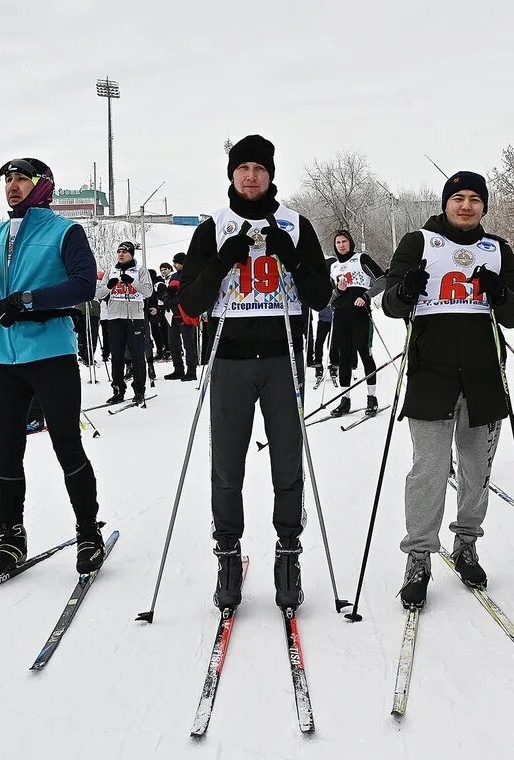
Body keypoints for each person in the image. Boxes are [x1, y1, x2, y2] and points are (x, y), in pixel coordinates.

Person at [177, 134, 332, 611]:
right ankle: (227, 553)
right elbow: (191, 302)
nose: (250, 176)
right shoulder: (213, 229)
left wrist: (292, 255)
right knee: (227, 464)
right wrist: (223, 260)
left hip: (283, 359)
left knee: (287, 461)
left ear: (270, 175)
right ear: (231, 175)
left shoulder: (296, 225)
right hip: (229, 360)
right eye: (242, 168)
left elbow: (321, 296)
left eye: (259, 169)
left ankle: (289, 552)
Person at [381, 170, 514, 608]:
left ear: (484, 206)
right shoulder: (419, 242)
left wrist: (498, 292)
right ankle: (420, 556)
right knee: (427, 470)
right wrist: (406, 290)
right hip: (432, 376)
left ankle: (466, 543)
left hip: (484, 377)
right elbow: (390, 304)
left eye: (475, 199)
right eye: (458, 198)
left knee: (476, 470)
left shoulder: (497, 248)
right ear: (446, 203)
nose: (466, 206)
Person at [0, 157, 103, 578]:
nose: (13, 186)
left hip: (51, 351)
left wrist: (26, 300)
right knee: (7, 449)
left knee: (65, 443)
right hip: (4, 356)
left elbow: (84, 284)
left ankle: (88, 531)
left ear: (43, 186)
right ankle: (11, 536)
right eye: (9, 179)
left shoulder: (64, 230)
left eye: (23, 178)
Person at [327, 229, 385, 417]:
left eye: (344, 241)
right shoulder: (334, 267)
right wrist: (337, 290)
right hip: (341, 316)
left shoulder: (361, 259)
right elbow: (330, 298)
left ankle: (372, 398)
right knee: (344, 358)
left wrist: (366, 296)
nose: (341, 245)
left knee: (364, 354)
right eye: (338, 243)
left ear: (350, 243)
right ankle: (345, 400)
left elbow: (382, 279)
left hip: (360, 315)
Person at [95, 241, 151, 404]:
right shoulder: (111, 271)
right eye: (119, 251)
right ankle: (118, 390)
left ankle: (139, 390)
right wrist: (110, 286)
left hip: (135, 318)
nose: (121, 254)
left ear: (132, 254)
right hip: (115, 318)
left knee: (137, 356)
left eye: (125, 252)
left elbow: (148, 292)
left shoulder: (141, 270)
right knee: (117, 356)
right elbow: (99, 293)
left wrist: (133, 282)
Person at [162, 252, 198, 381]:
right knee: (173, 344)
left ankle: (191, 370)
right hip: (173, 315)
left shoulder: (191, 275)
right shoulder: (173, 277)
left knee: (188, 344)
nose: (175, 265)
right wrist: (167, 298)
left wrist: (175, 299)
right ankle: (178, 369)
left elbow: (190, 293)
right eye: (174, 263)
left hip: (186, 315)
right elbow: (167, 292)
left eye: (177, 263)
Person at [309, 302, 337, 386]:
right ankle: (318, 365)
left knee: (333, 343)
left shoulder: (338, 289)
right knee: (319, 342)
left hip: (335, 320)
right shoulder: (323, 289)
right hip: (323, 320)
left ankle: (334, 365)